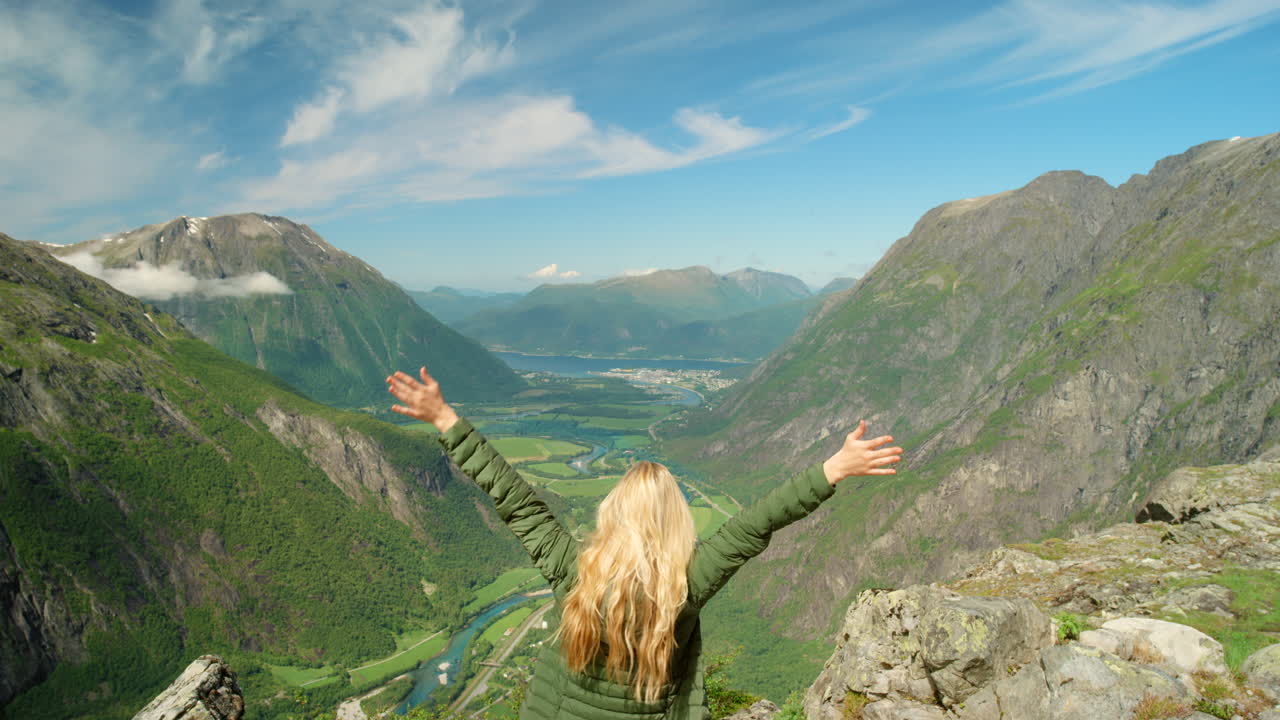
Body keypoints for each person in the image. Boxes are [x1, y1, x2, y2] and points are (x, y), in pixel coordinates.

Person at [387, 367, 902, 720]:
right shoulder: (687, 586)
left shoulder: (573, 571)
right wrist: (833, 468)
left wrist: (445, 420)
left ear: (613, 512)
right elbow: (756, 524)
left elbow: (517, 500)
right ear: (676, 521)